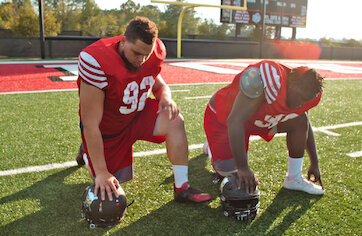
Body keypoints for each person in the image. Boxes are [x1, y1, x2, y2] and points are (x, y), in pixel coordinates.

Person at [77, 16, 210, 203]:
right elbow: (91, 123)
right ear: (123, 41)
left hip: (136, 116)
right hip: (108, 129)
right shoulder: (97, 60)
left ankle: (182, 186)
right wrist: (101, 171)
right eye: (137, 53)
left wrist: (166, 98)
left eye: (145, 55)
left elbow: (159, 85)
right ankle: (86, 150)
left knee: (175, 119)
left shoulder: (153, 52)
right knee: (107, 186)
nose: (141, 60)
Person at [203, 60, 325, 195]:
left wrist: (314, 162)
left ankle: (294, 178)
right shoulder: (264, 79)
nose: (301, 103)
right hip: (225, 117)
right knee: (230, 176)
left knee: (299, 119)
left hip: (260, 120)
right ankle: (211, 147)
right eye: (299, 97)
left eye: (305, 100)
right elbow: (235, 120)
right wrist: (243, 167)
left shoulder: (309, 94)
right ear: (290, 84)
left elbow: (304, 122)